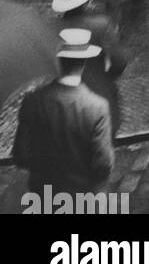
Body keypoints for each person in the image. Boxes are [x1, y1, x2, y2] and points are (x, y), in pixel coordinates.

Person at [13, 29, 114, 195]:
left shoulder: (32, 101)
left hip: (43, 194)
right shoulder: (98, 106)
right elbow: (103, 165)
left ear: (58, 61)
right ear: (84, 63)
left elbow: (21, 155)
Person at [52, 0, 128, 137]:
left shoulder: (52, 27)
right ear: (88, 0)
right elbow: (119, 62)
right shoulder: (101, 25)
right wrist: (107, 74)